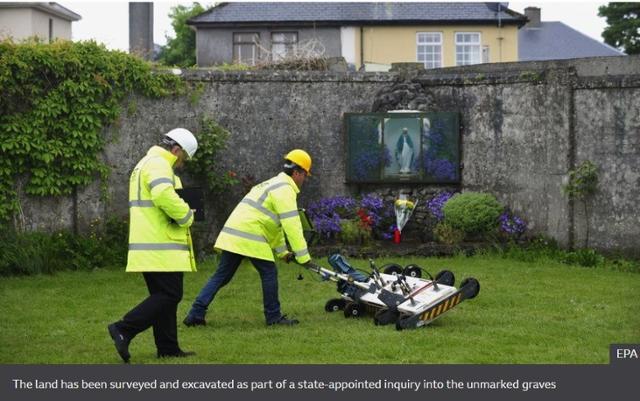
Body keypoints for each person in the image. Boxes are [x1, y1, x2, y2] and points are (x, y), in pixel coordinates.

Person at [183, 149, 313, 327]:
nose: (304, 180)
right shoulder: (285, 189)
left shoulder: (270, 184)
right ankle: (273, 317)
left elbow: (274, 225)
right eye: (305, 175)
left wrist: (283, 252)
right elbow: (292, 225)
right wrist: (304, 257)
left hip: (234, 234)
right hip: (251, 235)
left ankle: (195, 314)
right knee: (269, 273)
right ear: (297, 172)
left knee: (221, 276)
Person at [107, 128, 198, 363]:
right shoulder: (158, 164)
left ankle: (167, 347)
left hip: (152, 244)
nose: (182, 163)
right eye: (184, 158)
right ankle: (123, 328)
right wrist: (187, 215)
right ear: (176, 150)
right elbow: (163, 195)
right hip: (161, 244)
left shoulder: (145, 163)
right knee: (170, 294)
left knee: (163, 295)